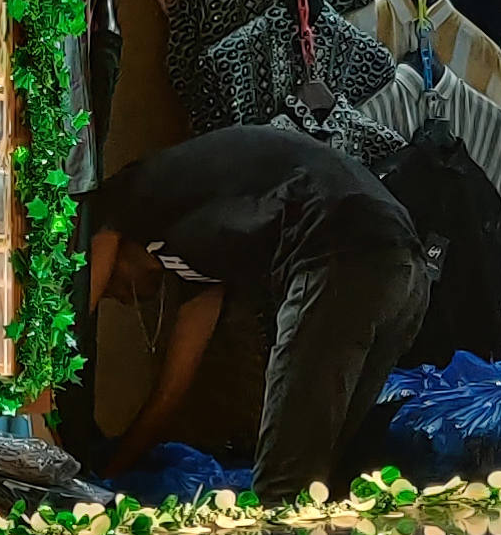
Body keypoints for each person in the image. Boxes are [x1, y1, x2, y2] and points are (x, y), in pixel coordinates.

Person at [88, 126, 429, 503]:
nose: (117, 298)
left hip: (342, 254)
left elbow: (75, 311)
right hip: (401, 268)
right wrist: (109, 476)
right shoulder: (200, 266)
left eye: (109, 286)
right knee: (323, 477)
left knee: (283, 484)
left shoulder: (132, 198)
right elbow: (171, 391)